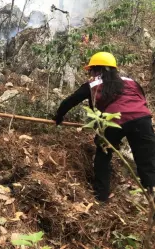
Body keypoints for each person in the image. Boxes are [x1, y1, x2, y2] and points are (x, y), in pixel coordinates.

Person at [53, 51, 155, 202]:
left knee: (103, 156)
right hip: (142, 118)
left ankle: (101, 198)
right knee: (147, 160)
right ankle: (151, 200)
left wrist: (58, 117)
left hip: (114, 121)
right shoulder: (131, 81)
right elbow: (141, 98)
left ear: (96, 69)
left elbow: (70, 101)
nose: (91, 74)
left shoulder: (92, 84)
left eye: (91, 70)